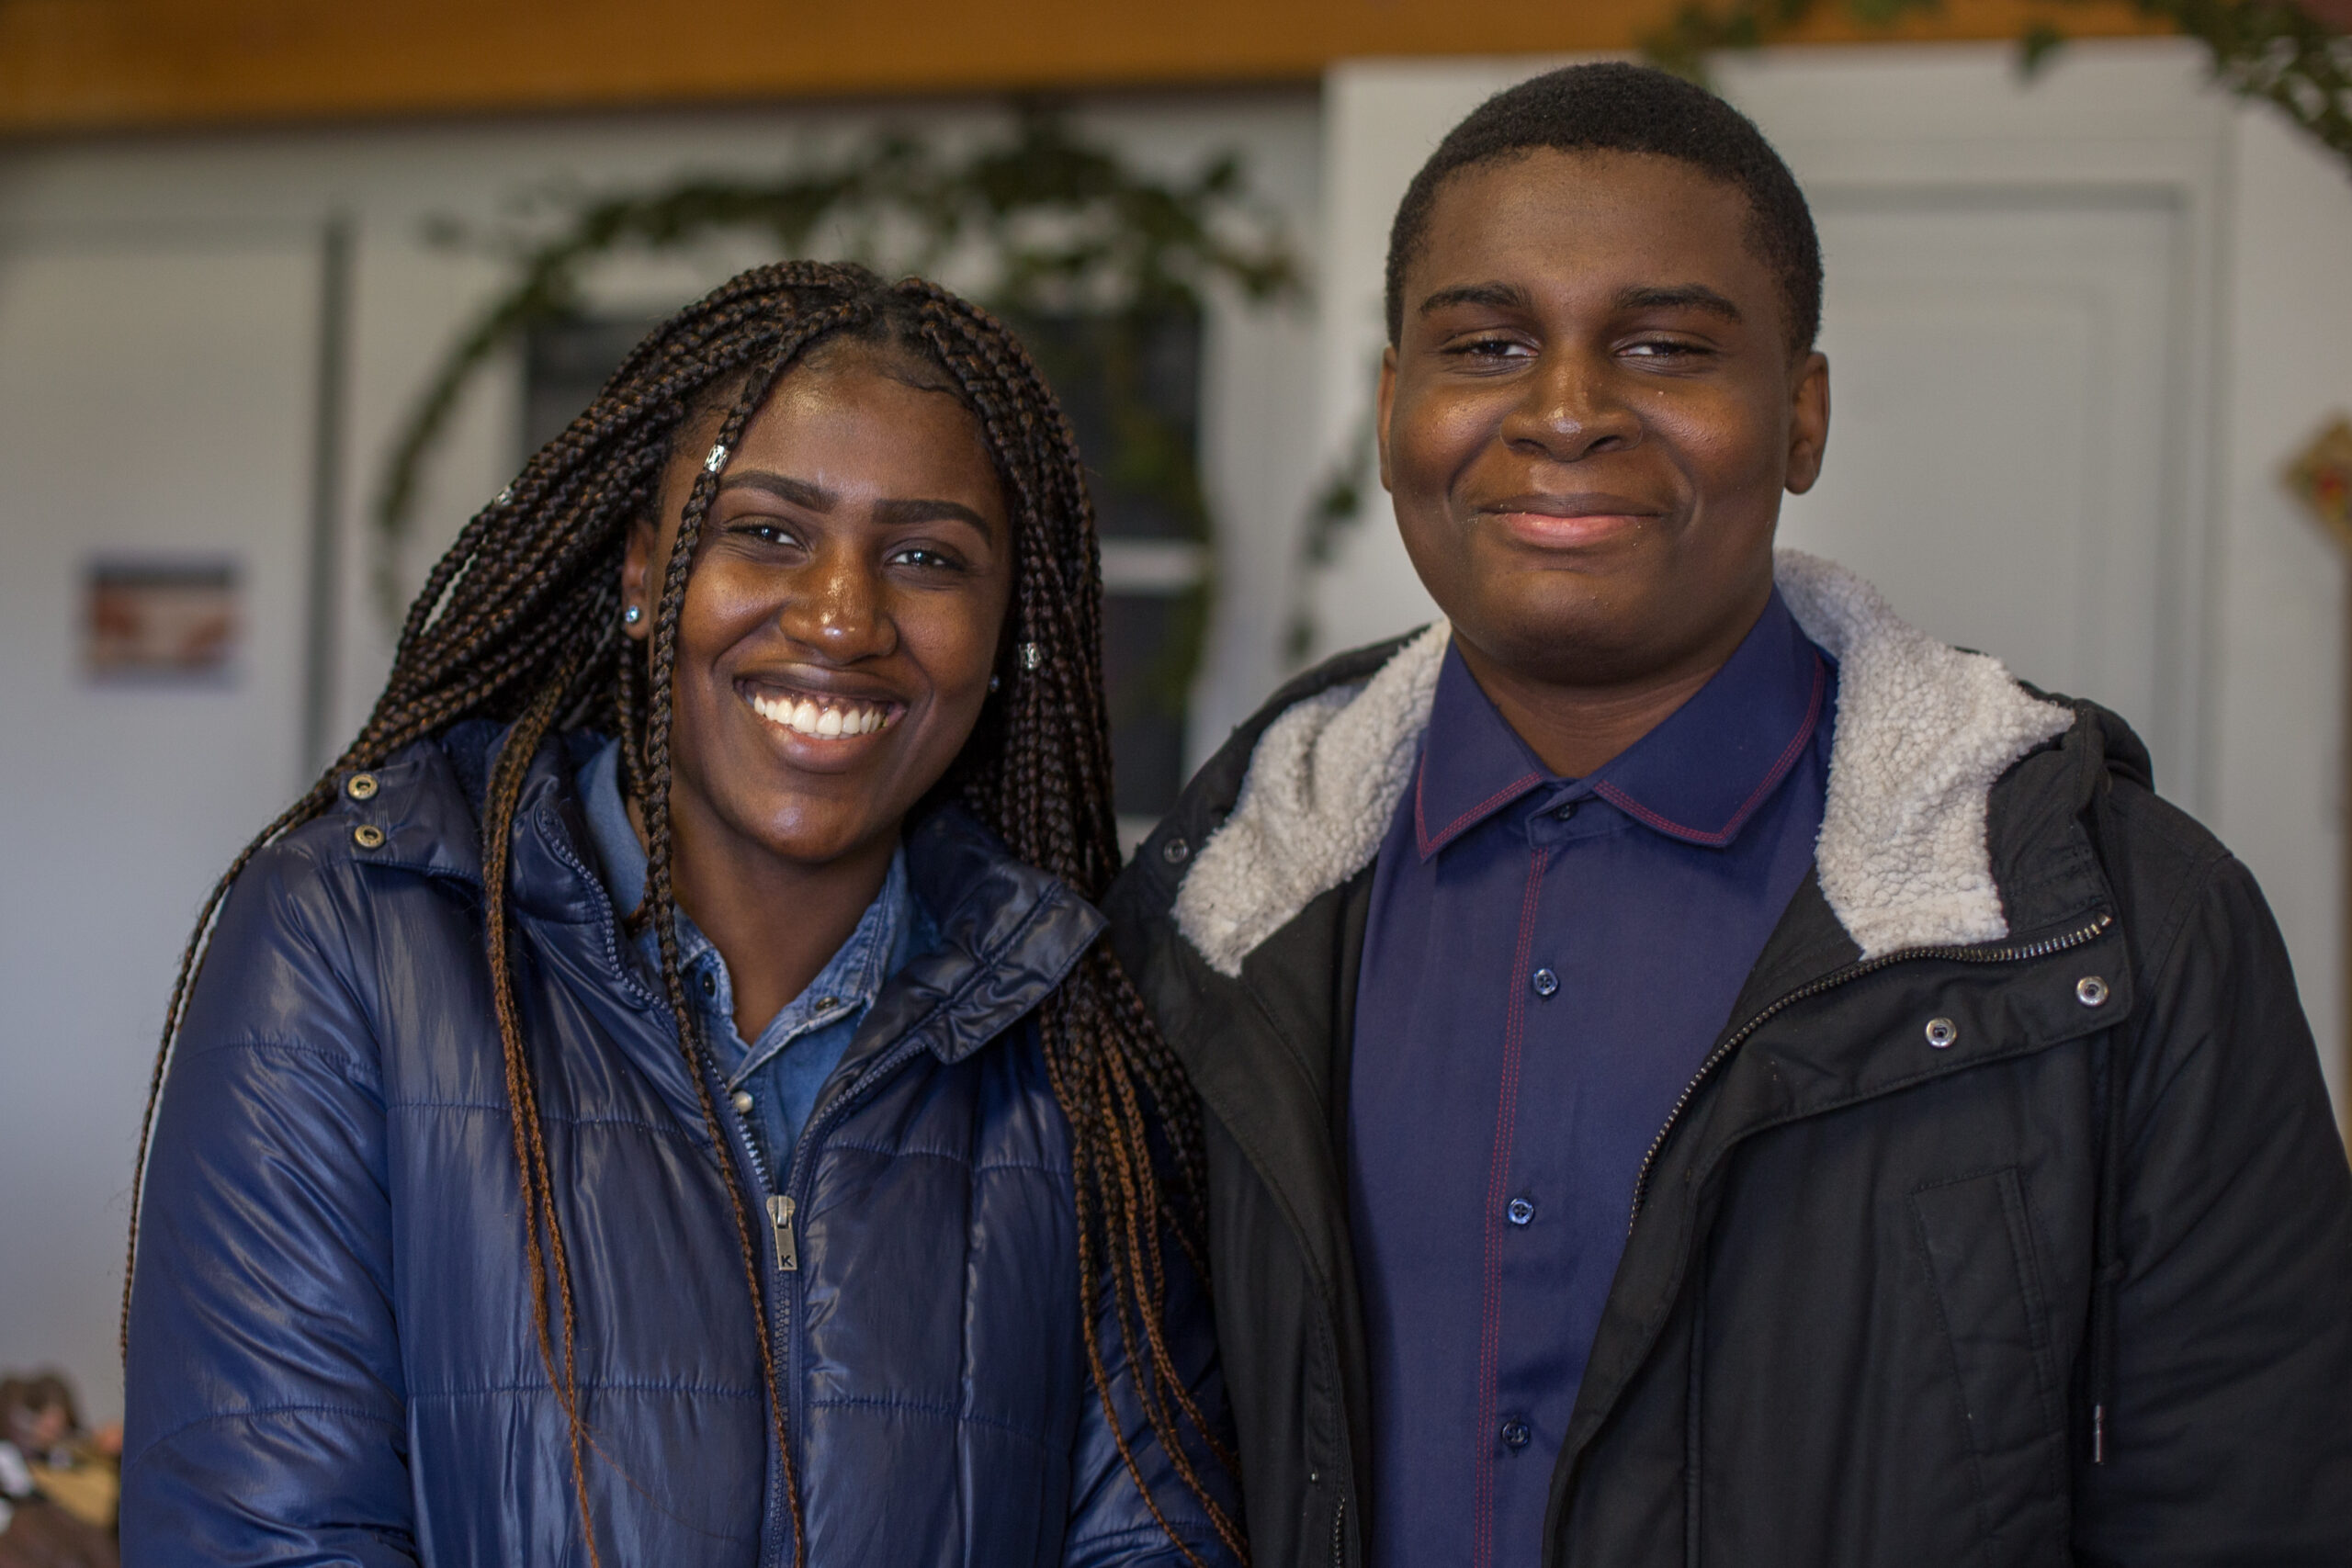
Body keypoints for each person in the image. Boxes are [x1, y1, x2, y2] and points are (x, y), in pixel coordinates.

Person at [1106, 62, 2352, 1568]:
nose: (1566, 412)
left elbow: (2249, 1507)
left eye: (1665, 346)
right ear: (1393, 414)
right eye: (1488, 344)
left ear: (1801, 416)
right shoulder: (1215, 917)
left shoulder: (2123, 927)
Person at [121, 263, 1243, 1567]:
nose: (842, 613)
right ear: (648, 577)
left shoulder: (1069, 1032)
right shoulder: (357, 938)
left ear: (1006, 637)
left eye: (927, 557)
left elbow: (1158, 1546)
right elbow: (258, 1537)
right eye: (768, 532)